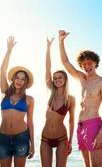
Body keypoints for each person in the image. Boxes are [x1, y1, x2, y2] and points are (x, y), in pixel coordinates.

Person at [59, 30, 102, 167]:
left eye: (90, 63)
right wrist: (61, 42)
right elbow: (65, 62)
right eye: (84, 64)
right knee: (86, 165)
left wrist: (101, 132)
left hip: (94, 125)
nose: (87, 66)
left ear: (95, 63)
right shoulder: (82, 78)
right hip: (80, 126)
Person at [0, 36, 35, 167]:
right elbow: (2, 70)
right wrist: (9, 50)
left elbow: (30, 122)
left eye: (23, 79)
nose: (19, 80)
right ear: (13, 79)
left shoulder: (29, 100)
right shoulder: (5, 92)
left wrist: (33, 144)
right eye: (17, 77)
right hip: (4, 138)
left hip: (21, 138)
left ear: (26, 82)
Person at [40, 37, 76, 167]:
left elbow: (72, 121)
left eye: (60, 77)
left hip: (62, 139)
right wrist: (48, 48)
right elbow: (47, 69)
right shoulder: (51, 93)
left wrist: (70, 142)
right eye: (55, 78)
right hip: (45, 138)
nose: (57, 80)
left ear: (65, 79)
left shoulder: (70, 99)